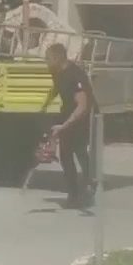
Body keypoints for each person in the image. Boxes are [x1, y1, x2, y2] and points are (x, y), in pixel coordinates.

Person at [43, 43, 95, 208]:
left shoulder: (75, 75)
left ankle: (88, 186)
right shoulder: (57, 72)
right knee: (65, 156)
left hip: (82, 118)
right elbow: (56, 89)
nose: (46, 62)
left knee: (80, 152)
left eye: (48, 59)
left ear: (58, 58)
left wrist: (64, 126)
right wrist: (45, 105)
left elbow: (82, 106)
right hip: (67, 114)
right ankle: (73, 193)